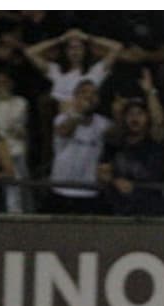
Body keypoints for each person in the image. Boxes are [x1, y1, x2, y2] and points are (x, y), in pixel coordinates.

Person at [97, 74, 164, 216]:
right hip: (118, 211)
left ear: (147, 118)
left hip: (150, 210)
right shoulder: (114, 144)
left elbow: (159, 122)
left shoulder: (154, 142)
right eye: (130, 114)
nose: (135, 118)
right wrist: (115, 181)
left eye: (140, 114)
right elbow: (102, 173)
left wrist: (150, 92)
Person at [47, 79, 111, 214]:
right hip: (61, 190)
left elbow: (118, 137)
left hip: (89, 192)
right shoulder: (62, 118)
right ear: (75, 97)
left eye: (93, 94)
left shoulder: (103, 124)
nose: (89, 96)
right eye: (84, 93)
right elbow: (64, 131)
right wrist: (79, 113)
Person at [24, 27, 122, 114]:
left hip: (88, 120)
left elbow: (117, 47)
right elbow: (30, 52)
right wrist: (61, 39)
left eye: (79, 48)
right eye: (71, 48)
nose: (75, 51)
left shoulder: (95, 71)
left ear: (85, 51)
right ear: (65, 52)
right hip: (60, 122)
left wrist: (86, 37)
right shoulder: (56, 71)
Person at [0, 68, 30, 213]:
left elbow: (16, 127)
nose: (2, 85)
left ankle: (16, 216)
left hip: (15, 151)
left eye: (5, 82)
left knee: (16, 188)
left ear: (11, 84)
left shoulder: (21, 102)